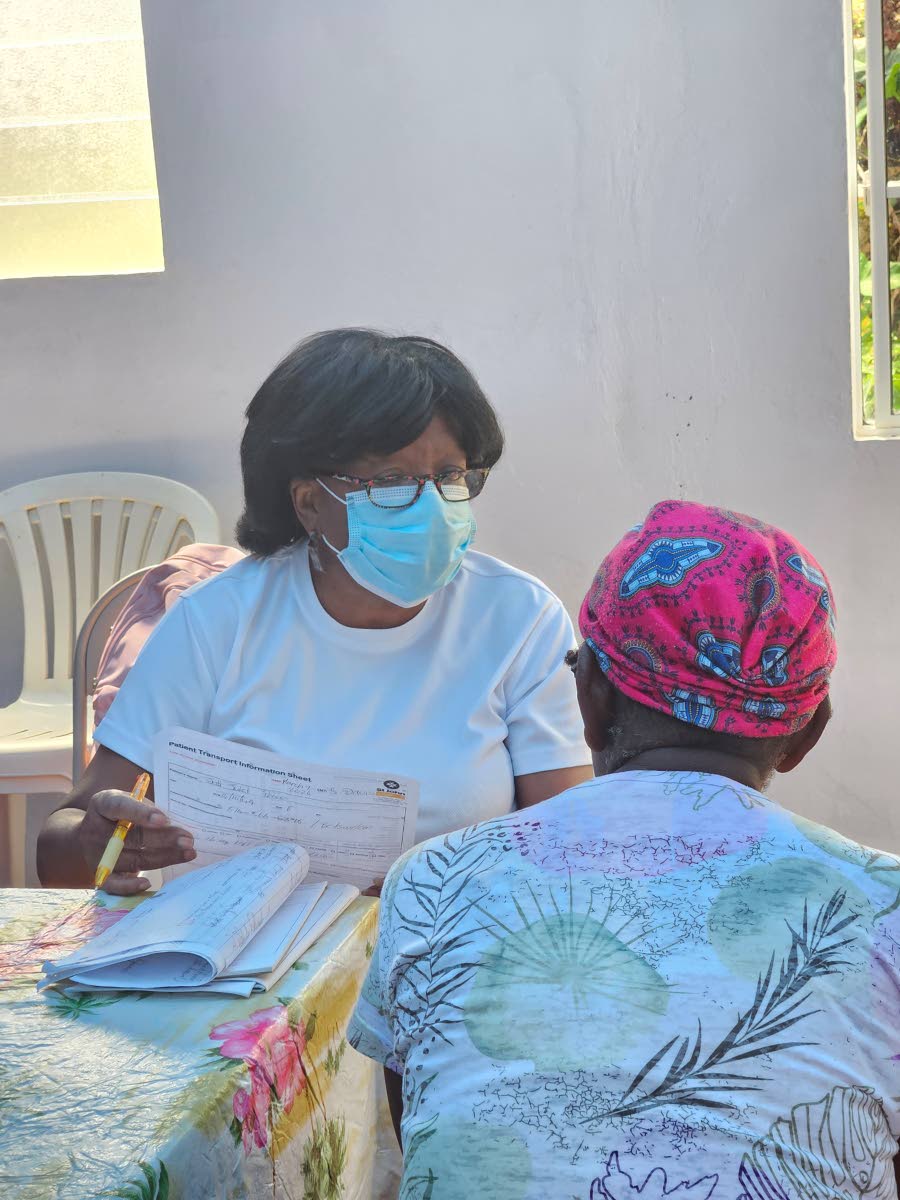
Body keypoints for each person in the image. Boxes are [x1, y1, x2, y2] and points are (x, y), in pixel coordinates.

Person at [349, 499, 900, 1199]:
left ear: (590, 701)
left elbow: (431, 1136)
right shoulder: (886, 903)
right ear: (806, 736)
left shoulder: (432, 879)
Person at [37, 329, 591, 893]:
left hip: (449, 956)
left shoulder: (517, 617)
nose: (430, 505)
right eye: (392, 481)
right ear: (308, 502)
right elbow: (62, 845)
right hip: (248, 965)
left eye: (449, 476)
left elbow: (572, 845)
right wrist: (98, 847)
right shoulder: (217, 621)